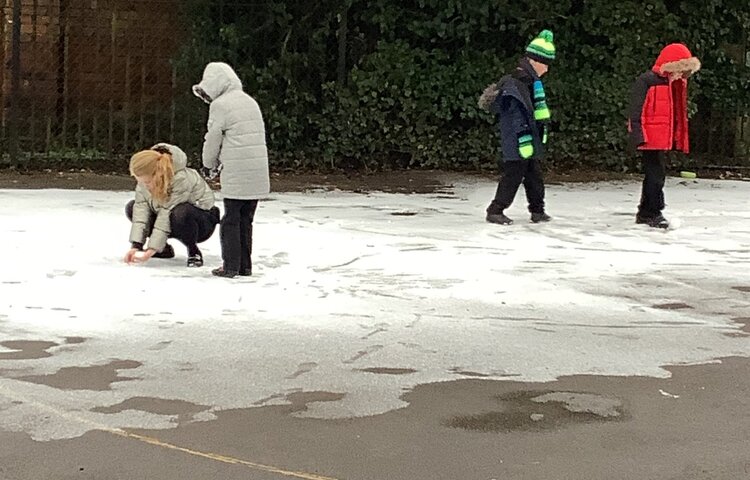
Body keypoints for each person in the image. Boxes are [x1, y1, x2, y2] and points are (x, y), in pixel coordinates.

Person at [193, 62, 271, 278]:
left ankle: (230, 266)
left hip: (237, 170)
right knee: (246, 219)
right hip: (257, 168)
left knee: (230, 219)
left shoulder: (220, 105)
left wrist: (208, 164)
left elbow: (213, 138)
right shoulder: (250, 101)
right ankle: (245, 265)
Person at [479, 29, 555, 225]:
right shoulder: (516, 83)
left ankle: (537, 210)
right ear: (534, 61)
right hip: (518, 138)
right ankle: (495, 210)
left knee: (533, 175)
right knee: (513, 174)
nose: (546, 69)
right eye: (545, 63)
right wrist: (524, 138)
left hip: (528, 137)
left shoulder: (531, 83)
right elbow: (516, 114)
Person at [628, 43, 701, 228]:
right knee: (655, 175)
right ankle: (651, 211)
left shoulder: (673, 84)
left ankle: (648, 210)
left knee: (656, 174)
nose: (680, 75)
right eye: (679, 70)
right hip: (650, 136)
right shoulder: (648, 81)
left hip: (660, 137)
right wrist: (637, 134)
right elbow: (635, 110)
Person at [124, 143, 219, 267]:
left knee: (180, 212)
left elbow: (166, 212)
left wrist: (151, 249)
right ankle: (164, 249)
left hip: (200, 223)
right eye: (140, 182)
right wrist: (136, 246)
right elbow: (141, 210)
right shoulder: (145, 180)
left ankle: (193, 251)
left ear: (157, 175)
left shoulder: (181, 179)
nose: (144, 185)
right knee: (132, 207)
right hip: (169, 218)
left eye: (147, 182)